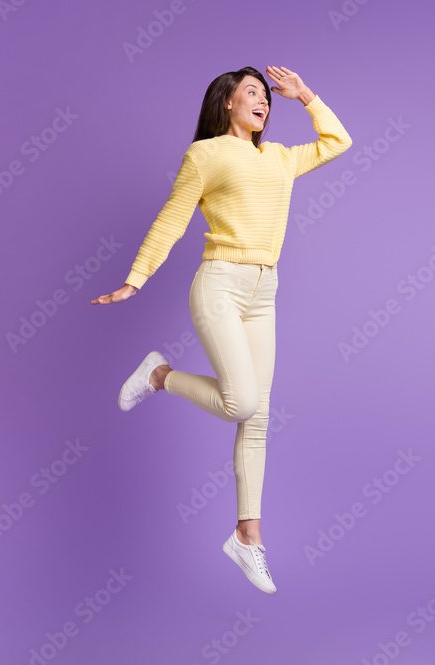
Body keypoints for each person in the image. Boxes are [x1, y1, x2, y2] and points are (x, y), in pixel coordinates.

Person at [91, 65, 352, 594]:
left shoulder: (279, 158)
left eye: (266, 96)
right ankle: (160, 375)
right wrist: (135, 280)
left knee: (257, 418)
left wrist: (305, 95)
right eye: (251, 93)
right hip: (220, 285)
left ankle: (247, 538)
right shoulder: (205, 155)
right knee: (242, 403)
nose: (262, 102)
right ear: (226, 104)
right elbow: (172, 218)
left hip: (265, 291)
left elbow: (338, 140)